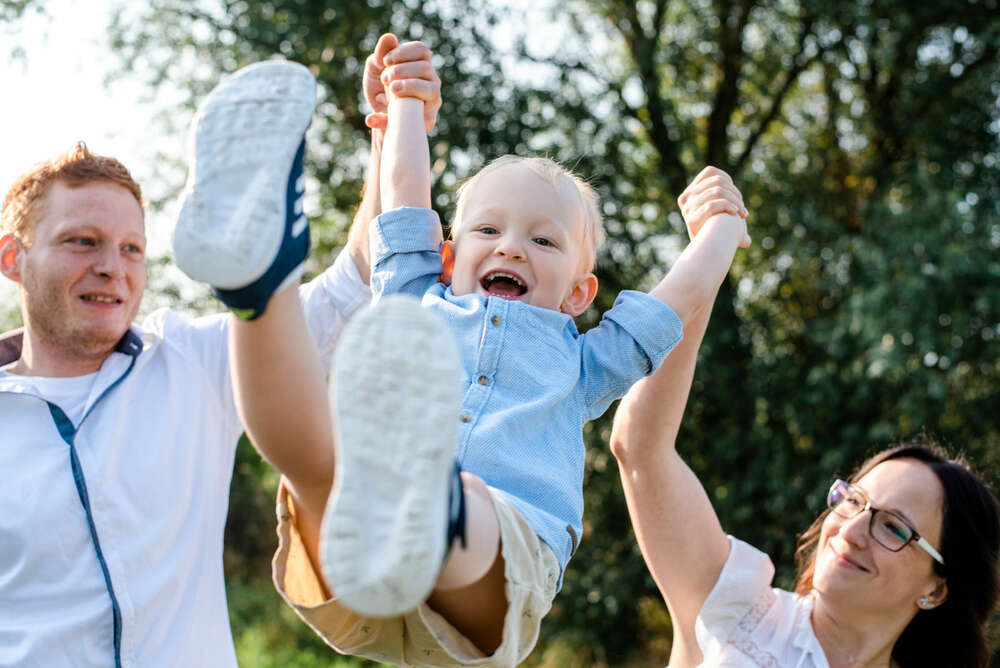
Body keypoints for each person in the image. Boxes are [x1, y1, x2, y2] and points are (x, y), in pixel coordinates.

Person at [184, 33, 751, 667]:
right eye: (488, 229)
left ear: (578, 294)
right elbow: (404, 195)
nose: (510, 247)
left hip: (492, 571)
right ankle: (259, 288)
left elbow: (668, 306)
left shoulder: (584, 363)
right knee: (314, 458)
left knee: (453, 502)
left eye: (544, 241)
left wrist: (720, 230)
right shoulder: (414, 294)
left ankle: (419, 489)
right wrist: (405, 104)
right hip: (360, 564)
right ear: (448, 256)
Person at [0, 49, 439, 665]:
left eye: (132, 249)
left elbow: (352, 286)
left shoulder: (192, 360)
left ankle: (263, 266)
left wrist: (392, 130)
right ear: (12, 258)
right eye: (83, 242)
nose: (112, 267)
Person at [609, 168, 1000, 667]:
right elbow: (639, 446)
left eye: (895, 529)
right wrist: (709, 254)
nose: (852, 531)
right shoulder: (736, 610)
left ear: (937, 589)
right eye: (853, 501)